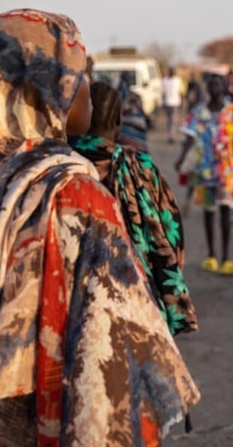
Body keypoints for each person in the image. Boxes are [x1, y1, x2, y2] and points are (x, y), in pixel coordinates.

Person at [0, 9, 199, 446]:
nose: (86, 87)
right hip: (55, 422)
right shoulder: (73, 194)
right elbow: (111, 362)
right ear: (40, 93)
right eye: (75, 74)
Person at [69, 80, 198, 336]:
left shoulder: (62, 165)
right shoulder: (140, 166)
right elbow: (169, 232)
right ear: (119, 120)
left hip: (76, 297)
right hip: (134, 294)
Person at [175, 73, 233, 276]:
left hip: (226, 170)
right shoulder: (198, 112)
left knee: (225, 211)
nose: (214, 87)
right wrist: (181, 159)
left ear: (225, 87)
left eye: (218, 84)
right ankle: (211, 255)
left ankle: (225, 257)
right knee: (208, 211)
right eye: (211, 84)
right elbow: (188, 138)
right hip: (204, 170)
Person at [161, 67, 183, 144]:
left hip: (174, 102)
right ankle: (170, 135)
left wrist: (182, 102)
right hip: (170, 103)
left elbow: (180, 92)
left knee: (172, 120)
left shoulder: (176, 80)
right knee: (171, 120)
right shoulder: (165, 80)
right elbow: (163, 93)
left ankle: (171, 136)